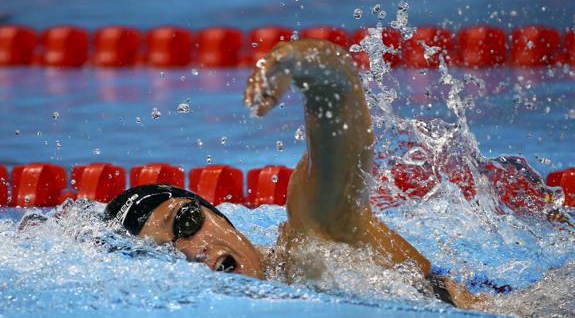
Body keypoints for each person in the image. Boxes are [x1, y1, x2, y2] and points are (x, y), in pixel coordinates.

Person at [103, 39, 485, 309]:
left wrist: (290, 62)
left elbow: (338, 90)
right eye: (166, 256)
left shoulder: (314, 240)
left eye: (187, 221)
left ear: (220, 215)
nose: (190, 250)